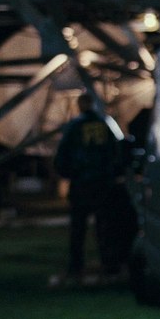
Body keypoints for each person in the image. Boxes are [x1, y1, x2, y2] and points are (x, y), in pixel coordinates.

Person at [53, 93, 126, 285]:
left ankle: (76, 266)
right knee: (105, 227)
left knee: (78, 228)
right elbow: (117, 150)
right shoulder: (106, 124)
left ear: (80, 105)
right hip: (103, 183)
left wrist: (69, 173)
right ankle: (109, 265)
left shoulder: (74, 126)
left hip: (81, 184)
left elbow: (63, 154)